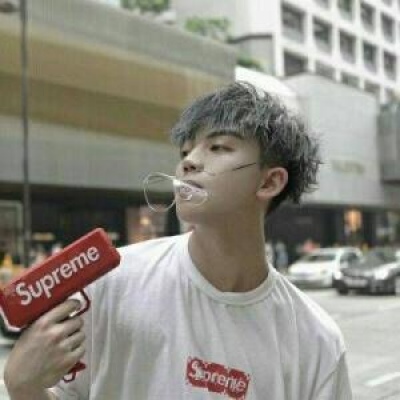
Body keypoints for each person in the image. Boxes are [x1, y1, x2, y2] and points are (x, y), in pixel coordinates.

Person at [4, 82, 352, 399]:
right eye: (185, 151)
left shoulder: (315, 340)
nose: (189, 162)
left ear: (269, 182)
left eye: (218, 146)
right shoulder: (110, 284)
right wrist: (24, 387)